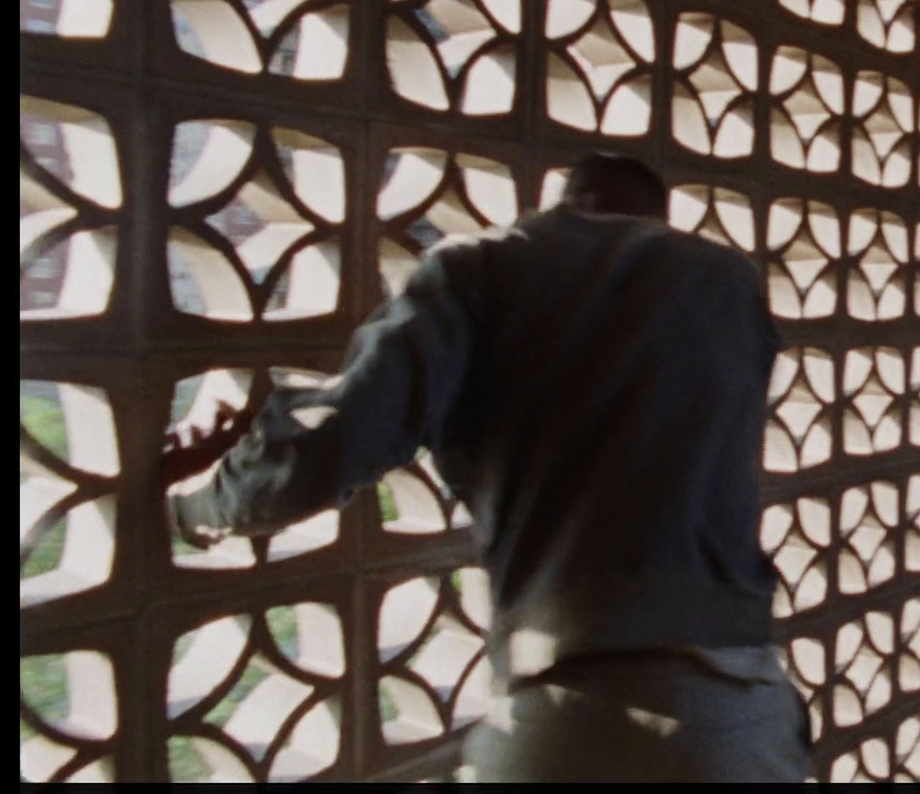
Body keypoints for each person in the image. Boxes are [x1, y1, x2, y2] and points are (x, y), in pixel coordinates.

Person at [160, 155, 811, 782]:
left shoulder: (485, 264)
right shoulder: (726, 282)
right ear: (657, 216)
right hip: (750, 710)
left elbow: (333, 441)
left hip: (583, 717)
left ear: (568, 201)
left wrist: (197, 503)